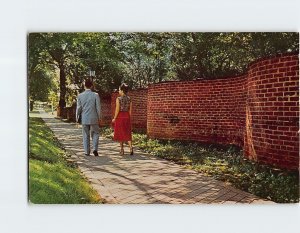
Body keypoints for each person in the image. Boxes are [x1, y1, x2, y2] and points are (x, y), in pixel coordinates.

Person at [76, 79, 101, 156]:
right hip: (94, 118)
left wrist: (77, 118)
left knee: (85, 135)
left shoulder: (80, 96)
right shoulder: (96, 95)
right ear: (91, 85)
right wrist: (99, 117)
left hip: (85, 118)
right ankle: (95, 149)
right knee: (96, 133)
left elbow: (79, 108)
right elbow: (98, 108)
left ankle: (87, 152)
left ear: (84, 85)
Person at [112, 83, 133, 156]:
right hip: (127, 116)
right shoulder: (129, 99)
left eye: (119, 90)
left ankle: (122, 150)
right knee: (127, 132)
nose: (118, 91)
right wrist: (129, 117)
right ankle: (131, 148)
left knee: (121, 133)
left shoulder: (118, 99)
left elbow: (117, 109)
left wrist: (114, 118)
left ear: (122, 90)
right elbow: (130, 110)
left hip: (120, 116)